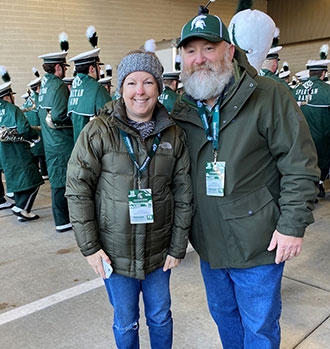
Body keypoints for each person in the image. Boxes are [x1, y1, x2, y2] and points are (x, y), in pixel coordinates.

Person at [171, 8, 320, 349]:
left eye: (209, 48)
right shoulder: (183, 108)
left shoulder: (267, 95)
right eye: (190, 51)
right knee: (225, 319)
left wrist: (292, 225)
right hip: (208, 243)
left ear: (229, 51)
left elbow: (300, 163)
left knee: (259, 327)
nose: (199, 59)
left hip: (258, 242)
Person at [66, 47, 192, 349]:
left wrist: (177, 246)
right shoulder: (99, 131)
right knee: (125, 321)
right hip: (114, 253)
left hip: (159, 252)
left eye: (148, 82)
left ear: (159, 88)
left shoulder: (172, 134)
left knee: (160, 316)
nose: (140, 91)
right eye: (132, 82)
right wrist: (90, 247)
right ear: (121, 87)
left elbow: (183, 191)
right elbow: (77, 187)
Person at [38, 50, 74, 232]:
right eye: (64, 67)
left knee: (56, 180)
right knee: (62, 181)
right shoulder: (58, 85)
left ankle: (61, 219)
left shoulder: (44, 86)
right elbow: (60, 115)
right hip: (61, 141)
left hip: (50, 141)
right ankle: (63, 220)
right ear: (58, 67)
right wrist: (74, 119)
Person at [0, 81, 44, 221]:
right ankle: (20, 208)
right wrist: (35, 137)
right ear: (7, 96)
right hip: (17, 150)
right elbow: (24, 128)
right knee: (34, 180)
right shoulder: (12, 109)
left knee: (15, 180)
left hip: (3, 153)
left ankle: (23, 212)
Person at [293, 59, 330, 198]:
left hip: (300, 136)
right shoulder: (327, 91)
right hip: (322, 136)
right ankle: (318, 184)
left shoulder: (295, 90)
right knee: (322, 161)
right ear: (323, 73)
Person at [67, 48, 111, 143]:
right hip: (95, 145)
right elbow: (112, 117)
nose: (100, 69)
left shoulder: (74, 88)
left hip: (78, 145)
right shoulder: (97, 88)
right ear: (92, 69)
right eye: (98, 66)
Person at [22, 77, 48, 180]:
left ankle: (39, 171)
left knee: (36, 153)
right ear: (38, 87)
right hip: (40, 130)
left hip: (32, 130)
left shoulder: (29, 100)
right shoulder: (38, 99)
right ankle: (44, 172)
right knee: (41, 153)